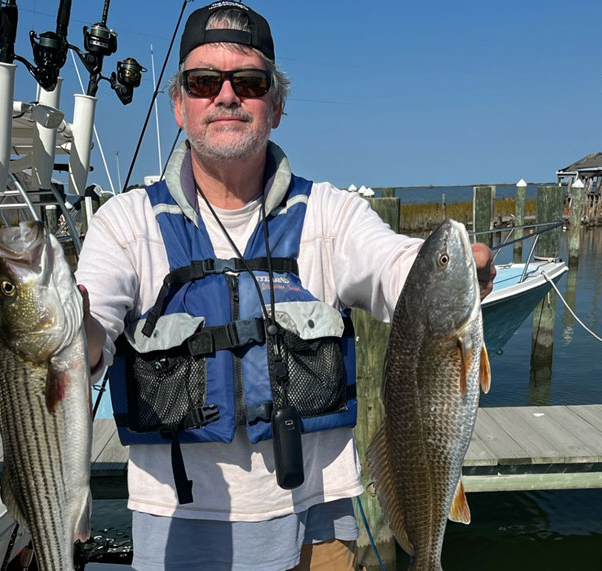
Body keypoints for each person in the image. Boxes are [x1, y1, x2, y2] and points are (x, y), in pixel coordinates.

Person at [76, 2, 495, 570]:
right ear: (178, 105)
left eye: (249, 82)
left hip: (315, 524)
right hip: (176, 524)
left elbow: (396, 266)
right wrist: (64, 321)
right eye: (204, 82)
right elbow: (87, 341)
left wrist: (452, 270)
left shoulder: (331, 214)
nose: (227, 96)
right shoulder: (124, 224)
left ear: (275, 106)